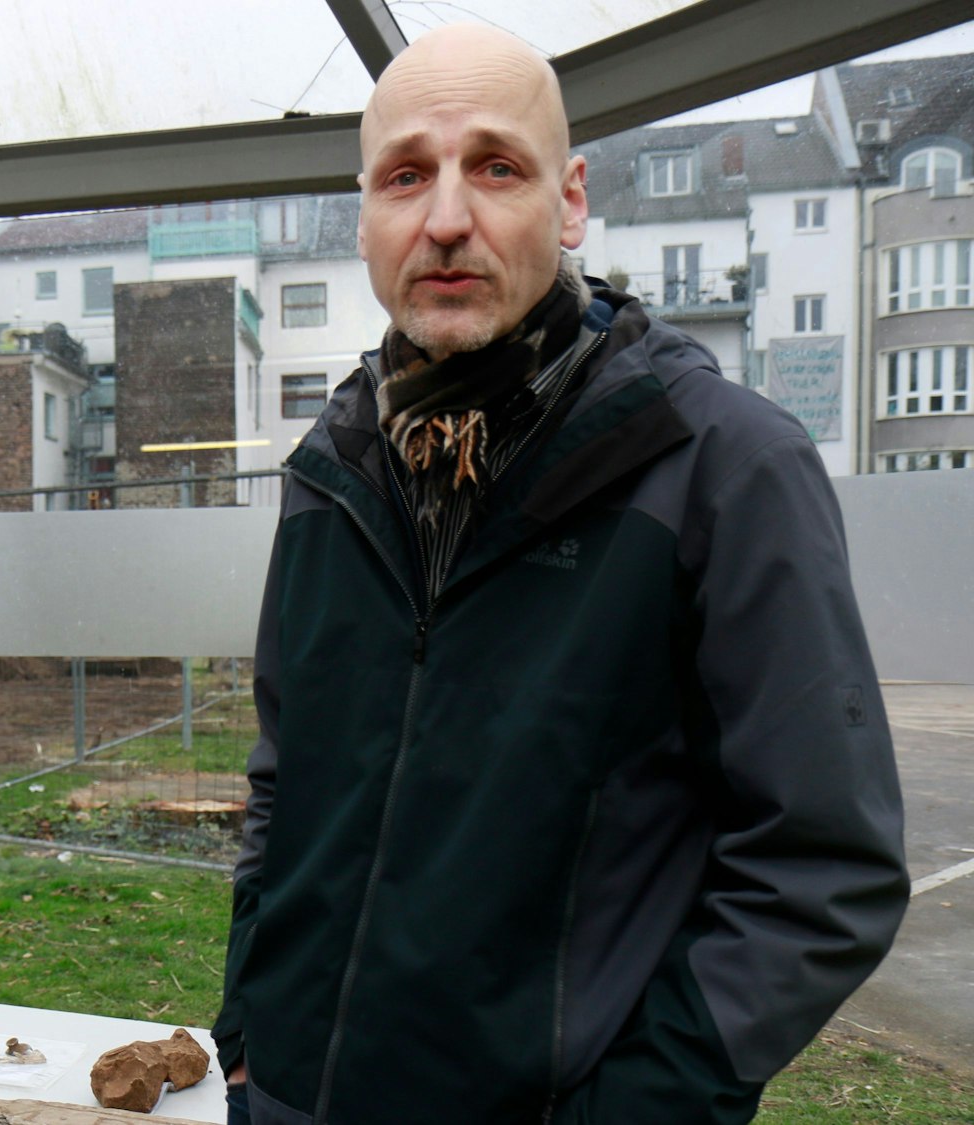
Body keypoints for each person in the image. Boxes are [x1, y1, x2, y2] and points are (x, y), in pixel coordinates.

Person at [215, 24, 907, 1125]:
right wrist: (251, 1028)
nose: (445, 218)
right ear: (362, 218)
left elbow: (820, 869)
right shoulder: (331, 470)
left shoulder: (720, 467)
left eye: (495, 167)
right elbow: (283, 777)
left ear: (570, 200)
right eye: (404, 176)